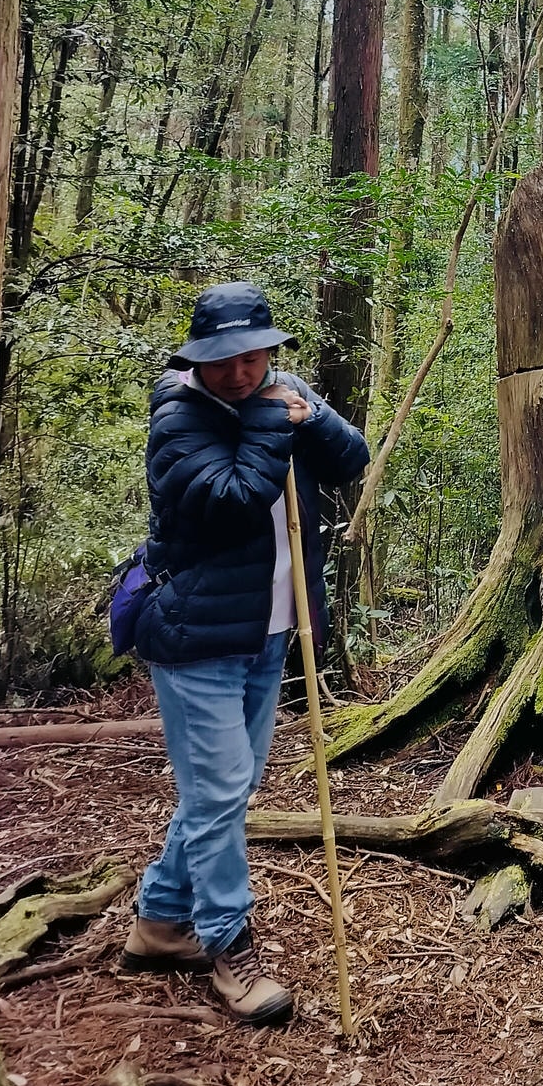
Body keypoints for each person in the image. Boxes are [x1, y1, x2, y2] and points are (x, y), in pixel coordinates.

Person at [120, 281, 369, 1024]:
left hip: (265, 632)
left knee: (225, 788)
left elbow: (348, 458)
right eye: (222, 359)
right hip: (196, 635)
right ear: (198, 359)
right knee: (222, 790)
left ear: (268, 348)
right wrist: (268, 422)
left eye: (252, 355)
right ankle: (227, 945)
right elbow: (230, 498)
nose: (239, 371)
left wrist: (310, 413)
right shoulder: (179, 419)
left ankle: (160, 923)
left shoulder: (278, 390)